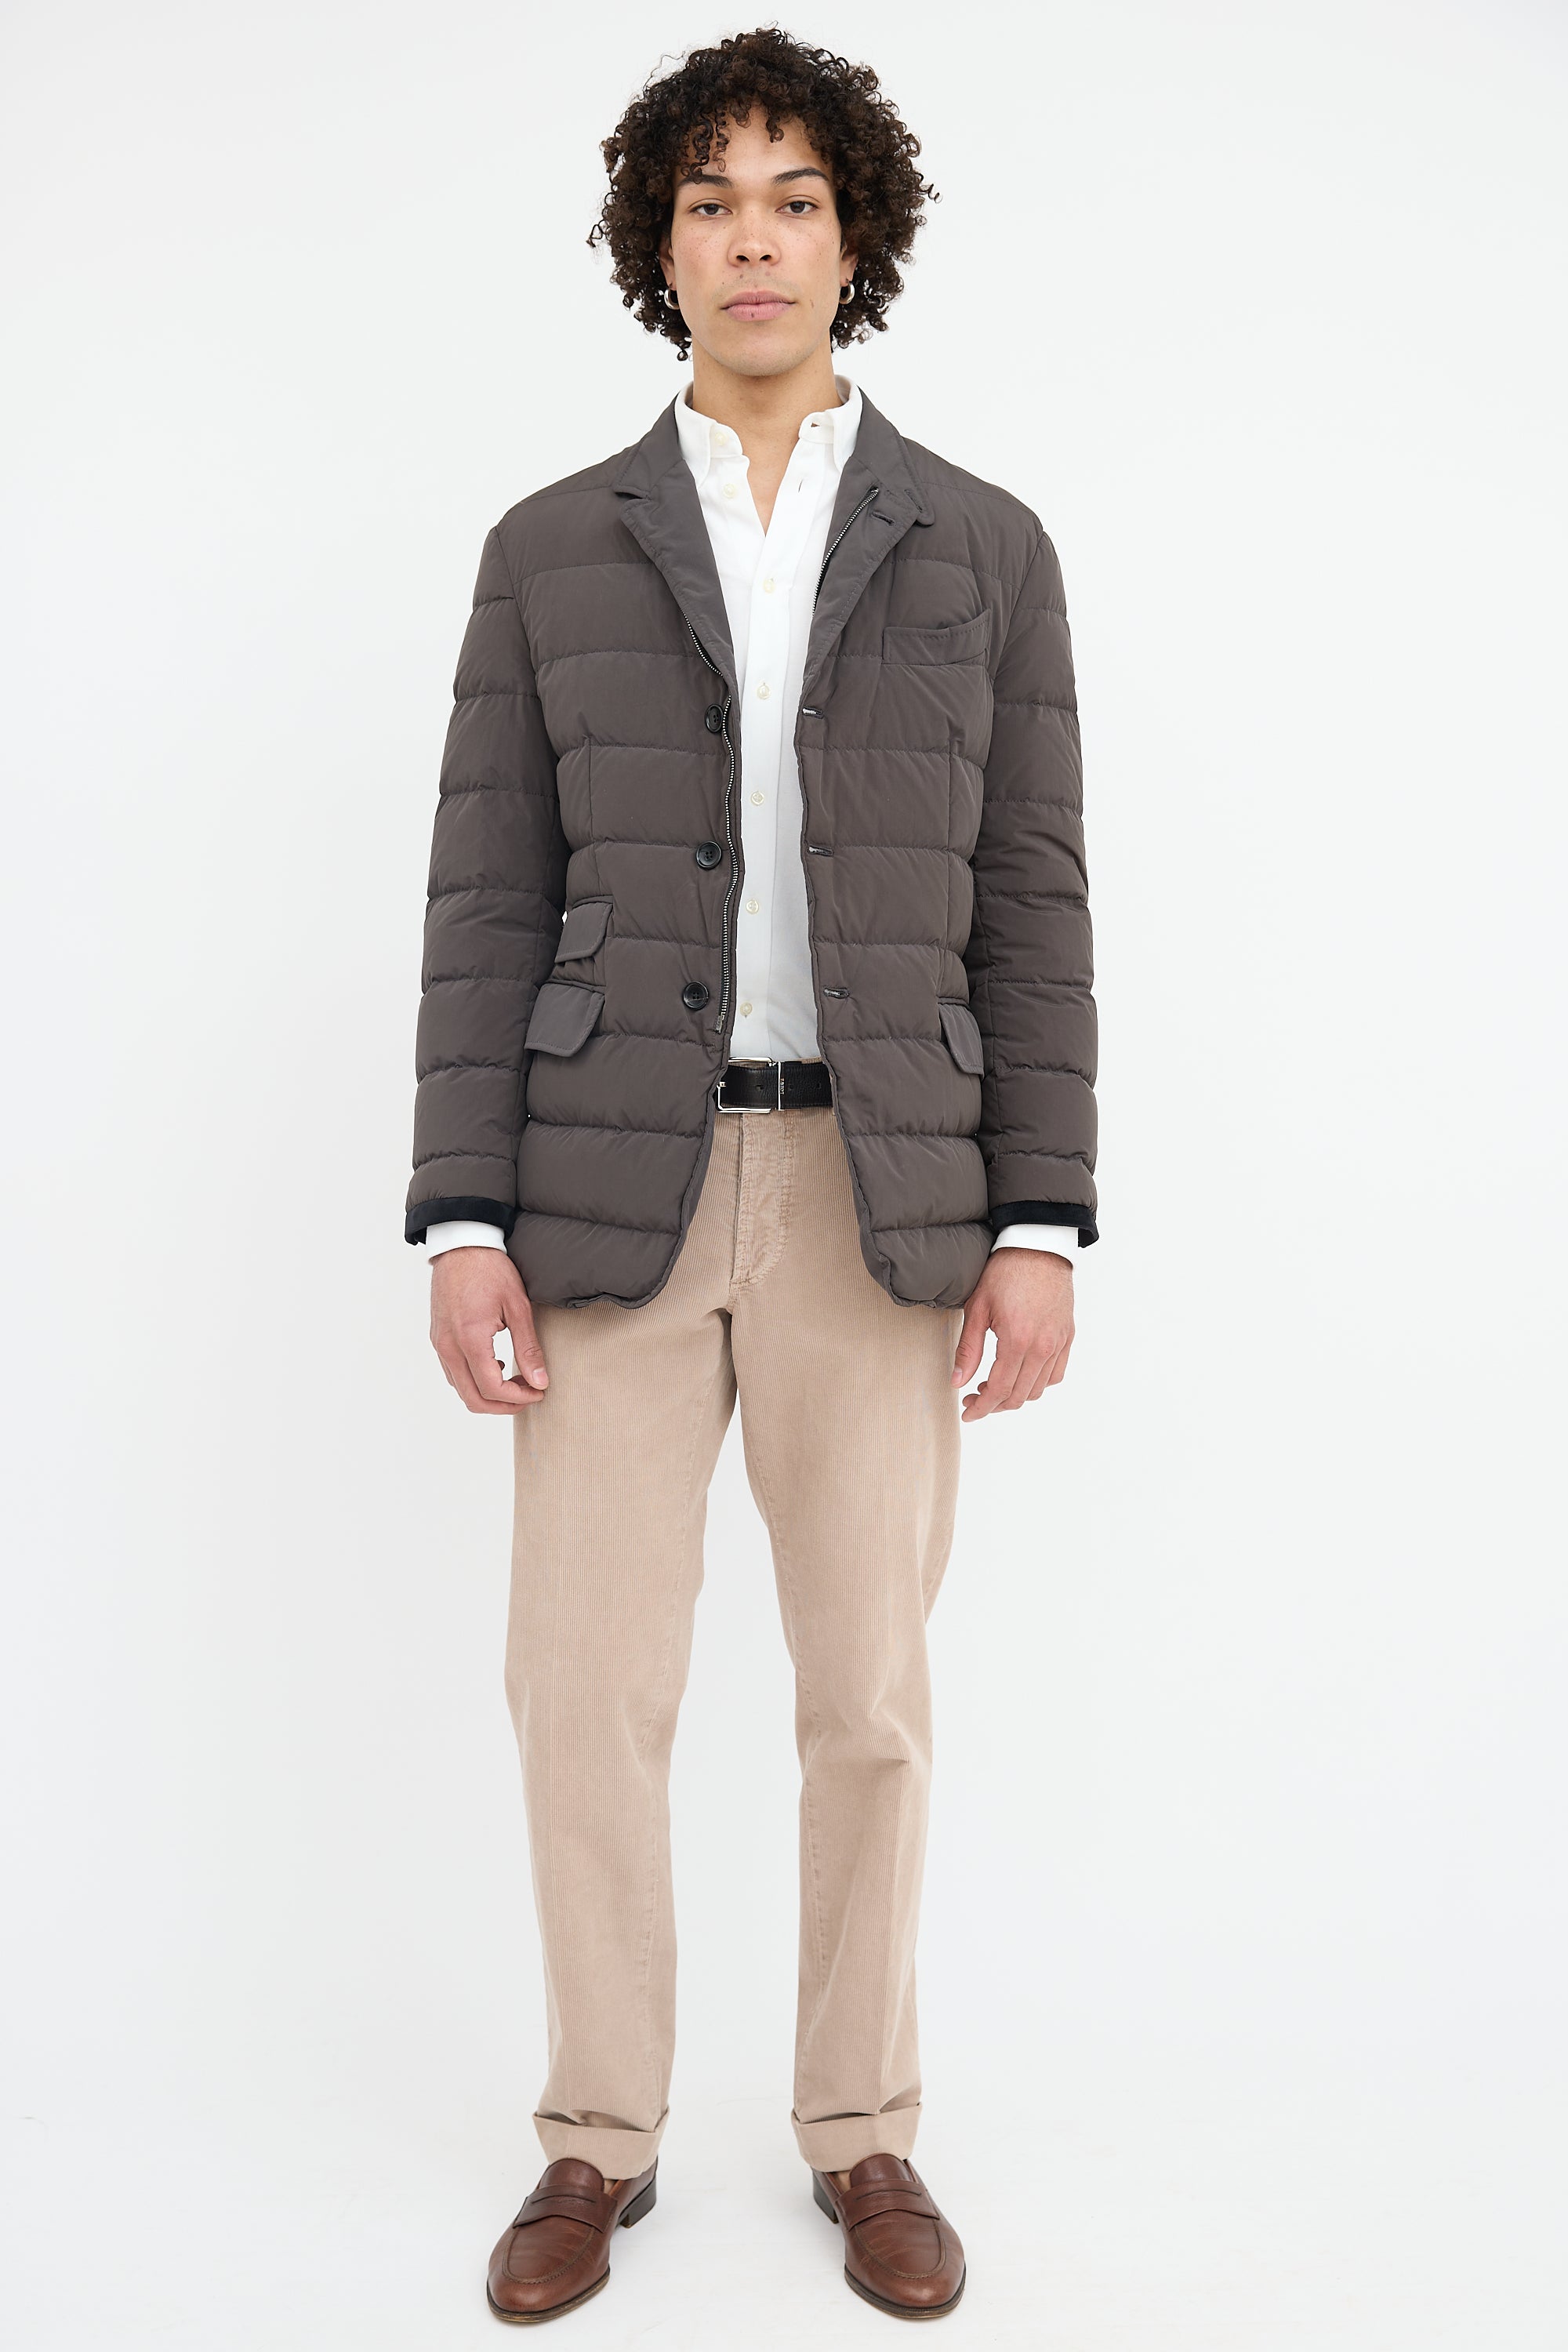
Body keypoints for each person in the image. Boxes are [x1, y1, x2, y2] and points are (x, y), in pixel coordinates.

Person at [405, 27, 1098, 2325]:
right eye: (711, 202)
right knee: (582, 1687)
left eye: (795, 197)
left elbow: (1031, 897)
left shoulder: (984, 547)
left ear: (853, 231)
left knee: (867, 1693)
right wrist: (464, 1214)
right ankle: (595, 2141)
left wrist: (1037, 1219)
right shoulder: (549, 546)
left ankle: (862, 2130)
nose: (755, 240)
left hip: (882, 1188)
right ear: (660, 246)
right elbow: (488, 894)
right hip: (608, 1187)